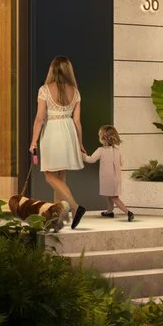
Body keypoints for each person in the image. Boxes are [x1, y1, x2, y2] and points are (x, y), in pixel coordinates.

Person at [29, 56, 89, 229]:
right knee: (60, 178)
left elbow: (40, 118)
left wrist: (33, 142)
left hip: (53, 133)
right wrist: (80, 142)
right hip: (68, 132)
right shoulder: (75, 91)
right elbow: (77, 122)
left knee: (50, 176)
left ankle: (75, 207)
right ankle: (57, 219)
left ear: (52, 70)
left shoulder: (45, 90)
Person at [91, 124, 133, 221]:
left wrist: (81, 155)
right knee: (110, 195)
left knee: (114, 197)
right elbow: (122, 162)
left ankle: (128, 212)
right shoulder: (117, 150)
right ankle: (109, 211)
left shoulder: (101, 150)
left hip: (107, 178)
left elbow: (91, 159)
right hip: (116, 178)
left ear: (102, 138)